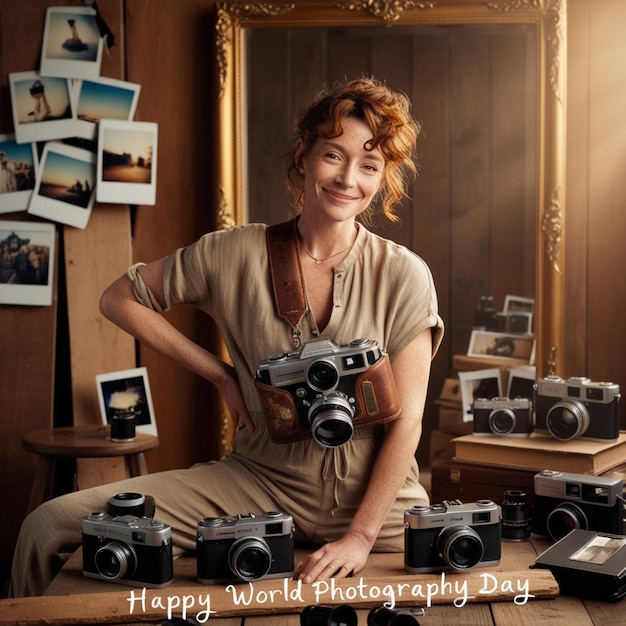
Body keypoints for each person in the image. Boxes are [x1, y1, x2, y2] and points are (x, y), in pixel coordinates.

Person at [9, 76, 443, 597]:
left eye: (369, 166)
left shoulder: (405, 274)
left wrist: (360, 536)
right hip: (259, 484)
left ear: (382, 180)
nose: (348, 178)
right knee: (45, 526)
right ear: (304, 155)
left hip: (382, 510)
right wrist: (219, 373)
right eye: (334, 155)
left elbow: (409, 418)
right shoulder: (231, 254)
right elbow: (118, 298)